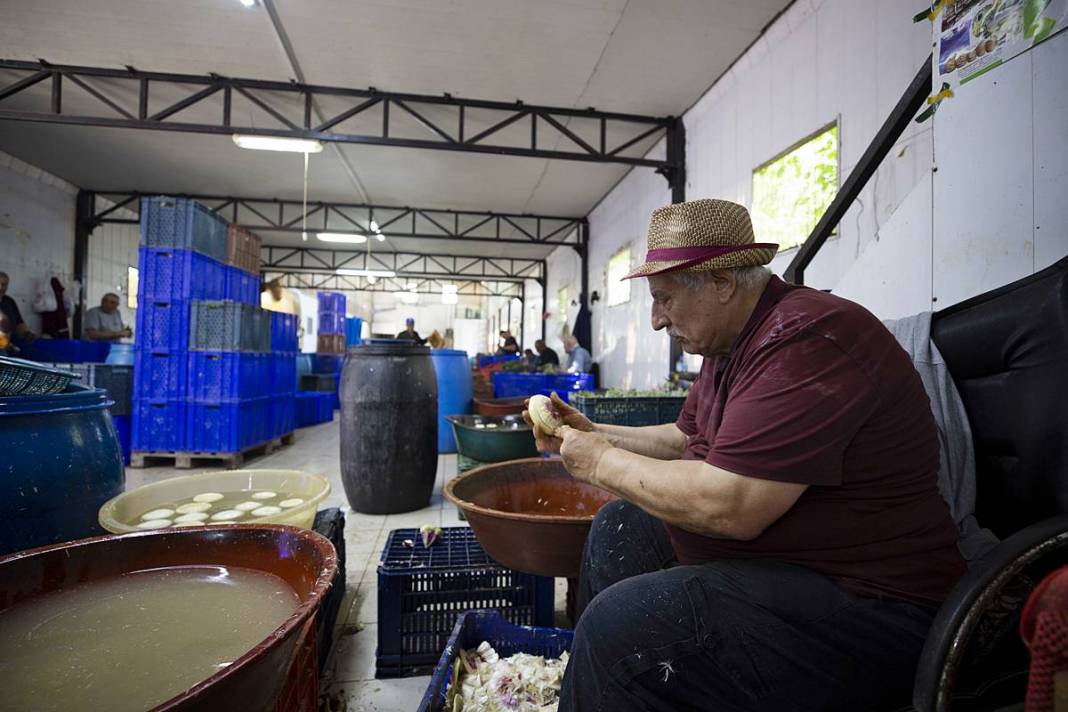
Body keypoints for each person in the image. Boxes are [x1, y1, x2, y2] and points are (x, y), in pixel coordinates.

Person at [527, 198, 964, 710]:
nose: (655, 320)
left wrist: (600, 461)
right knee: (621, 525)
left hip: (872, 606)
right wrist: (594, 431)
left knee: (619, 626)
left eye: (664, 298)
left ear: (722, 282)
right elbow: (682, 439)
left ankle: (619, 671)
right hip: (789, 568)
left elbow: (732, 505)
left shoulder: (805, 339)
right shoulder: (729, 343)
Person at [0, 271, 38, 351]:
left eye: (4, 285)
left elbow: (19, 323)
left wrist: (26, 333)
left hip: (7, 349)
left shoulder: (9, 302)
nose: (1, 287)